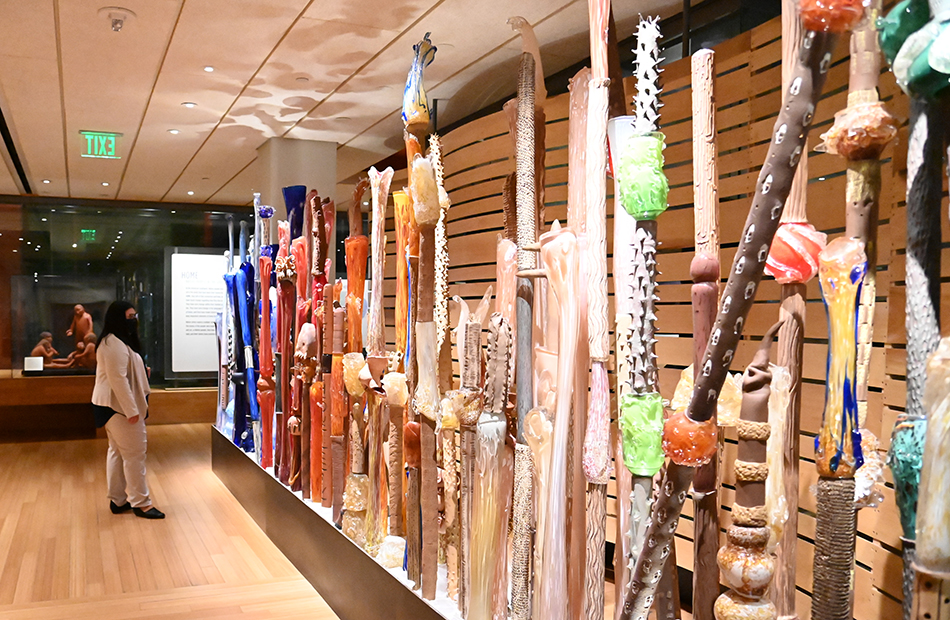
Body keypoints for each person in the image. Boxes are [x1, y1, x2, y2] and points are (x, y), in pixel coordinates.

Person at [91, 301, 164, 519]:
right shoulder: (113, 344)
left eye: (135, 315)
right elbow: (118, 380)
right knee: (134, 454)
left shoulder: (115, 341)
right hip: (119, 409)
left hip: (111, 407)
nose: (134, 320)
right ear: (119, 318)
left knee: (117, 452)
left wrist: (141, 370)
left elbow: (123, 370)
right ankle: (141, 503)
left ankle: (118, 499)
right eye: (130, 316)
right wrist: (132, 411)